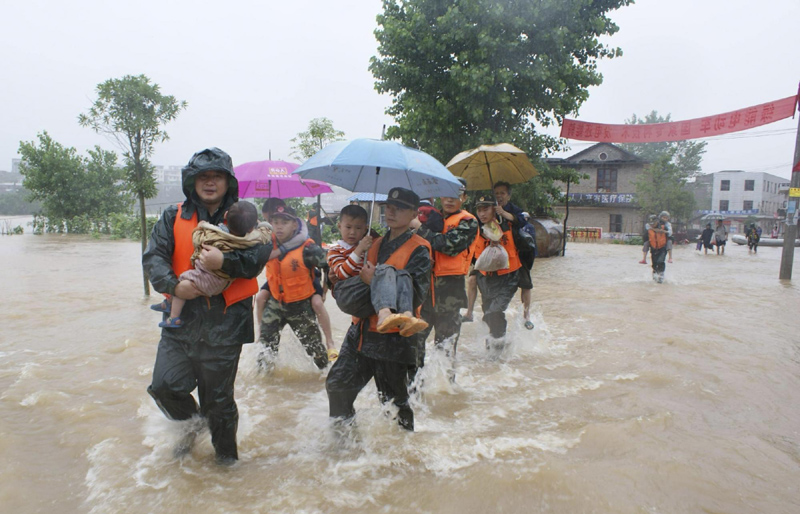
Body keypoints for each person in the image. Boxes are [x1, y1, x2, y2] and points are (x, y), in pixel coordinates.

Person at [143, 148, 270, 466]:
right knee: (163, 387)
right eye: (203, 176)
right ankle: (193, 425)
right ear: (192, 181)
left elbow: (256, 260)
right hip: (181, 320)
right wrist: (174, 286)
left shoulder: (247, 219)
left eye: (217, 176)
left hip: (226, 324)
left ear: (228, 182)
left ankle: (227, 465)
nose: (210, 182)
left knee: (218, 402)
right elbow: (154, 257)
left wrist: (223, 260)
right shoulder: (172, 216)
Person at [326, 187, 432, 431]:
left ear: (414, 214)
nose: (391, 212)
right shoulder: (372, 242)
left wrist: (374, 281)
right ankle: (345, 443)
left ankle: (403, 450)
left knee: (394, 403)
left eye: (399, 208)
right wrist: (337, 278)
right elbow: (348, 270)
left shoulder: (419, 248)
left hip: (393, 339)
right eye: (388, 207)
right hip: (361, 331)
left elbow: (417, 294)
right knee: (338, 386)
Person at [155, 201, 271, 328]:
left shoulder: (215, 235)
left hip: (208, 278)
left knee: (180, 283)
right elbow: (265, 235)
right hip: (223, 282)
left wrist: (200, 227)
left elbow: (197, 239)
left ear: (225, 215)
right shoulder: (251, 239)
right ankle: (168, 303)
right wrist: (262, 225)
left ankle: (173, 317)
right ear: (251, 228)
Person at [412, 179, 478, 380]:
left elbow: (449, 245)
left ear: (464, 198)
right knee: (413, 345)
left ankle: (446, 391)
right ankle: (415, 388)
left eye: (455, 195)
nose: (449, 200)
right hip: (423, 293)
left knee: (446, 349)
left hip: (450, 295)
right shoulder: (428, 217)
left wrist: (419, 229)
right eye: (446, 194)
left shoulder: (468, 222)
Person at [255, 199, 336, 360]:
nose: (279, 226)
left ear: (294, 225)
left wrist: (324, 291)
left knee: (317, 355)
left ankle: (330, 347)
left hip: (301, 306)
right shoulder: (267, 245)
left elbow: (328, 267)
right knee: (265, 353)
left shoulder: (308, 248)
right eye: (275, 222)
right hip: (275, 303)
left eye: (284, 222)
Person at [472, 193, 522, 349]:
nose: (482, 214)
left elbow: (522, 221)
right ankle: (494, 348)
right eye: (479, 210)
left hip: (508, 278)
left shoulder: (508, 224)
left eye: (486, 209)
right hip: (485, 278)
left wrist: (503, 216)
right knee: (488, 315)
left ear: (494, 209)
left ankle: (498, 348)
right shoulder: (475, 228)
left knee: (494, 312)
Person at [326, 204, 374, 293]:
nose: (352, 232)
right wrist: (359, 249)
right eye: (348, 227)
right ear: (339, 226)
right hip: (348, 294)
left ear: (365, 229)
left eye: (358, 228)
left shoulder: (368, 249)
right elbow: (341, 274)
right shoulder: (334, 251)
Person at [647, 217, 669, 283]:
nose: (652, 225)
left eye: (653, 223)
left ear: (657, 222)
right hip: (653, 249)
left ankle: (661, 276)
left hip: (662, 248)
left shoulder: (664, 228)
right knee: (654, 264)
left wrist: (664, 232)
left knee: (660, 261)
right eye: (651, 223)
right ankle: (654, 277)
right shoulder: (649, 230)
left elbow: (670, 236)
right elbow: (645, 240)